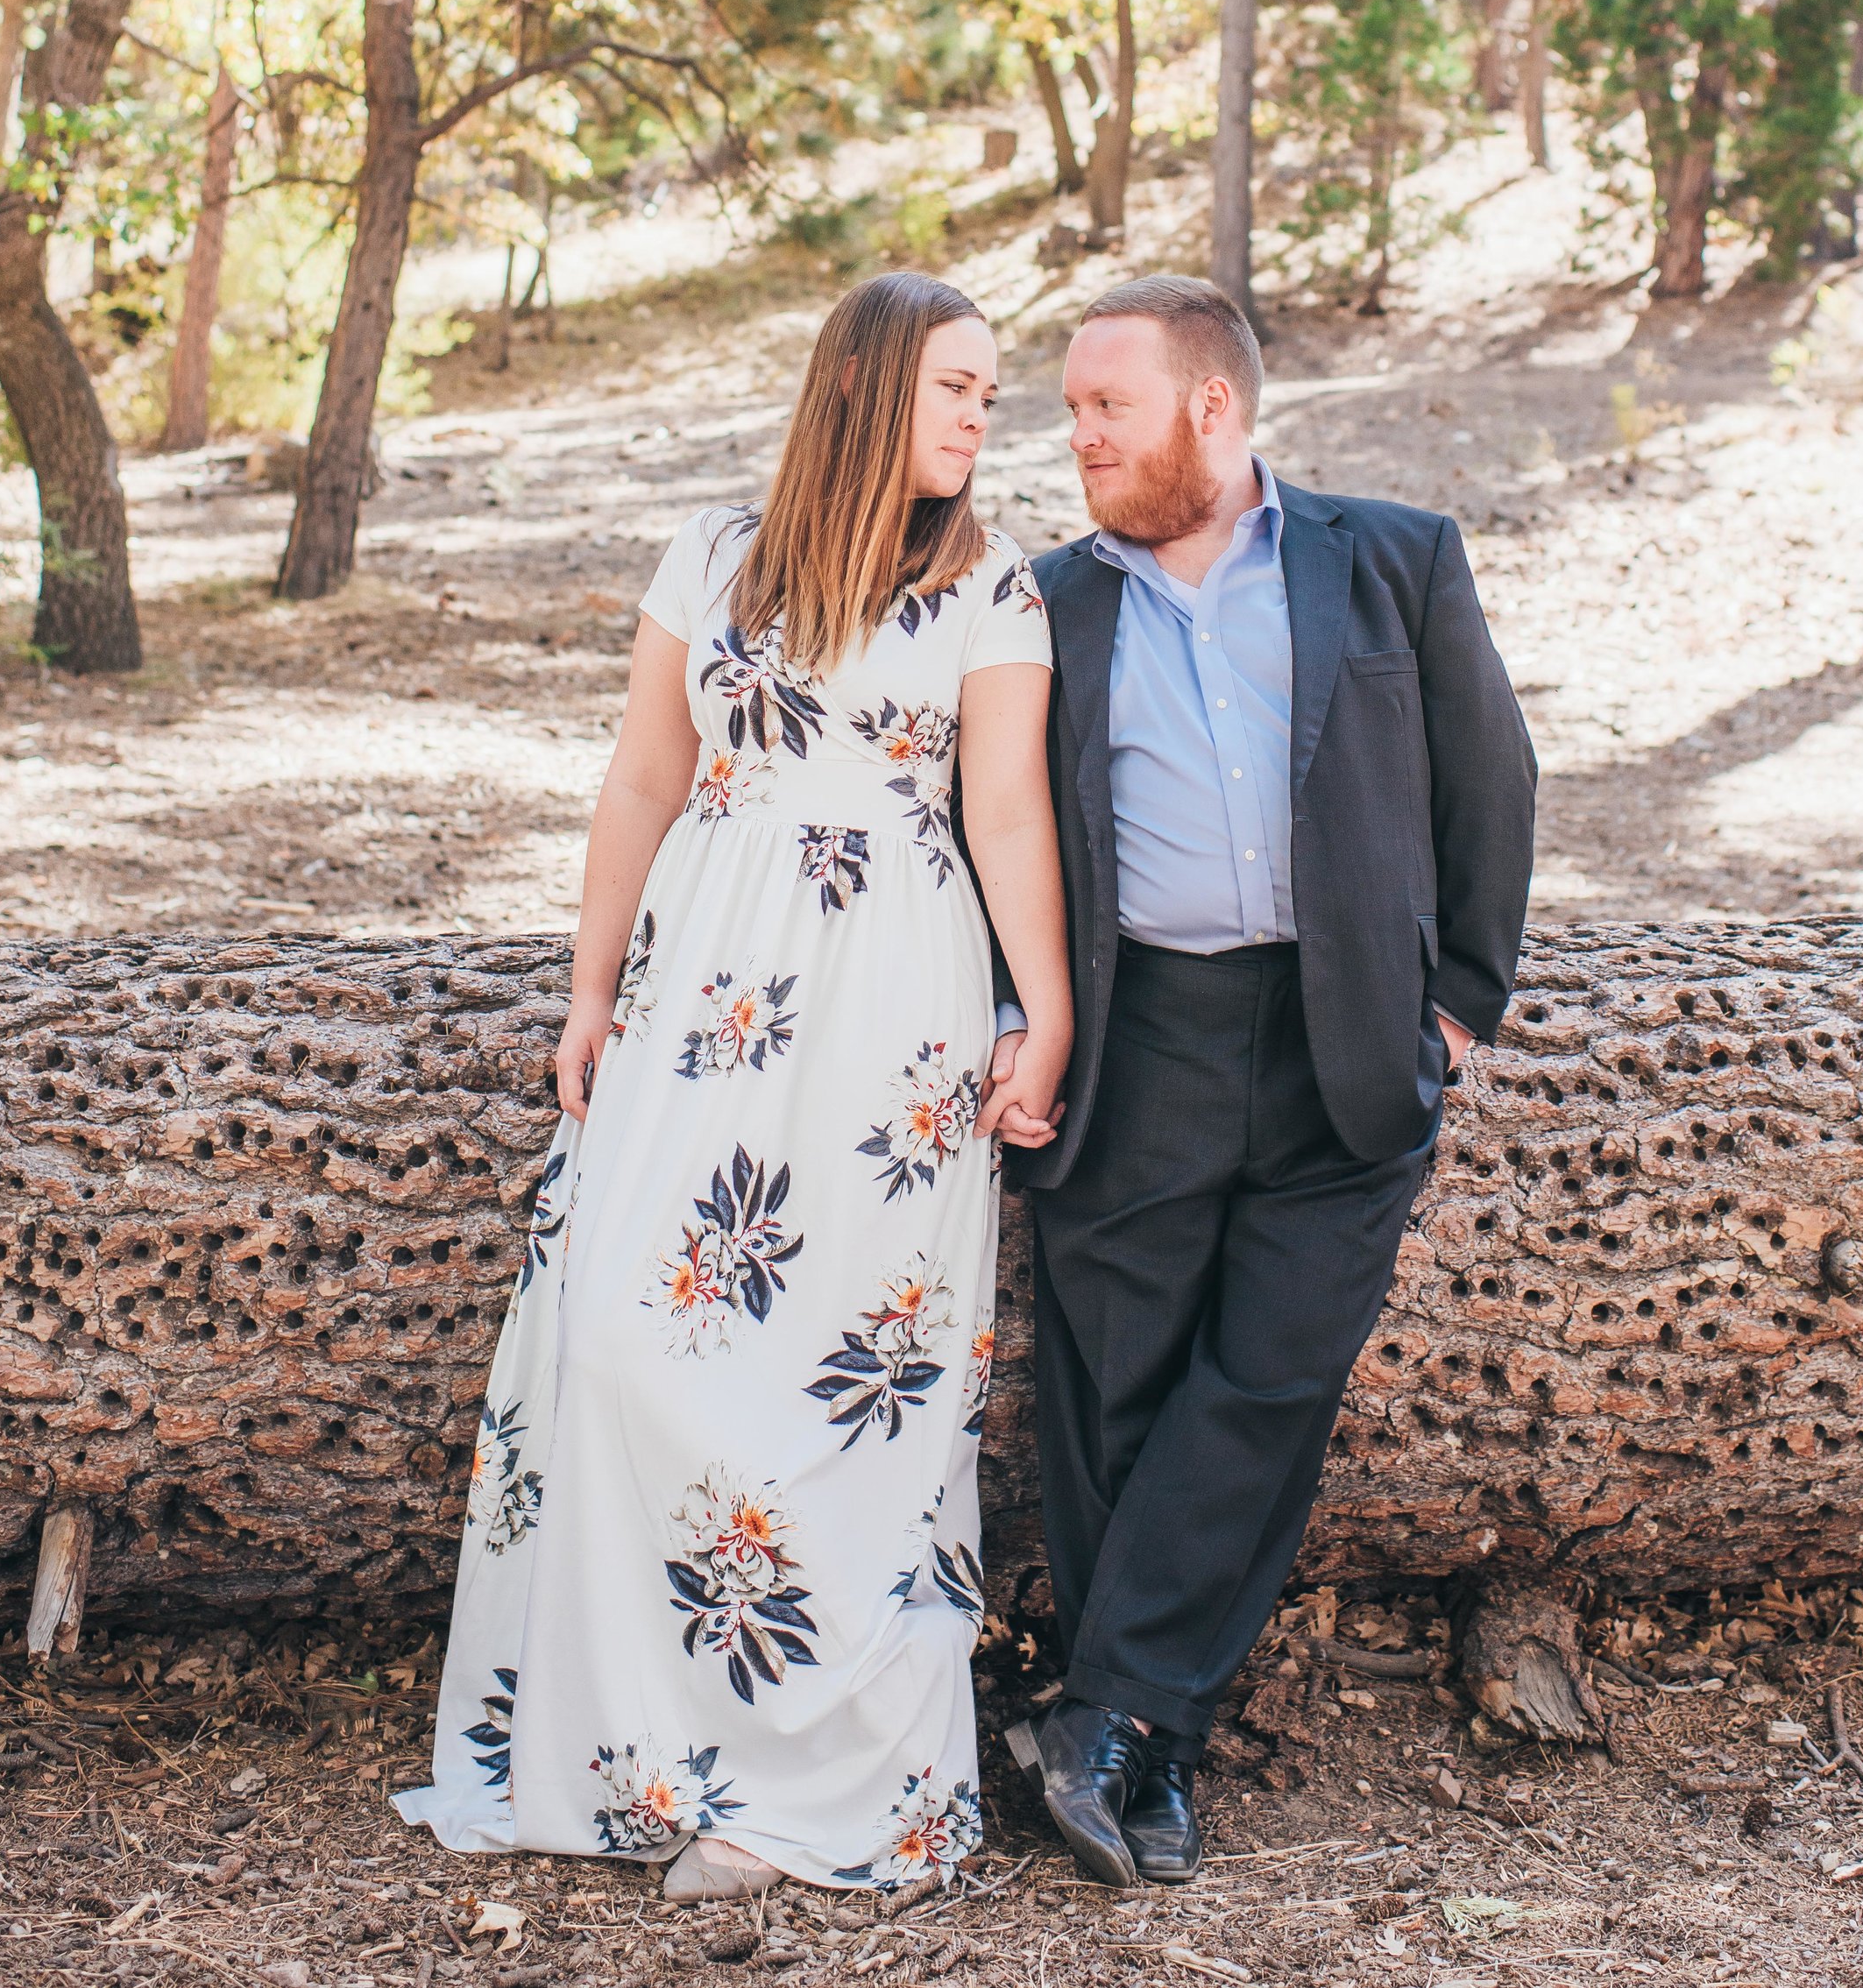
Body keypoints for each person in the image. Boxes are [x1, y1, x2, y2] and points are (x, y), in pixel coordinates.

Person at [400, 273, 1073, 1895]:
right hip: (700, 994)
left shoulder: (996, 586)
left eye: (994, 391)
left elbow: (1009, 820)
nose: (986, 418)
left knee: (848, 1388)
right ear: (864, 387)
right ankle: (638, 1754)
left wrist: (1039, 1013)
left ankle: (801, 1798)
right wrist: (586, 986)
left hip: (888, 1019)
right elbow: (645, 774)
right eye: (957, 386)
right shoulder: (712, 554)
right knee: (625, 1336)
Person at [1008, 275, 1535, 1888]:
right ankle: (1145, 1742)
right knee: (1115, 1390)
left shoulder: (1393, 557)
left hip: (1344, 1044)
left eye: (1113, 407)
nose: (1080, 436)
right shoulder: (1040, 604)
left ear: (1213, 410)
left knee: (1270, 1381)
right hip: (1139, 1034)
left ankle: (1101, 1713)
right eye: (1075, 408)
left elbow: (1492, 773)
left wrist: (1457, 1007)